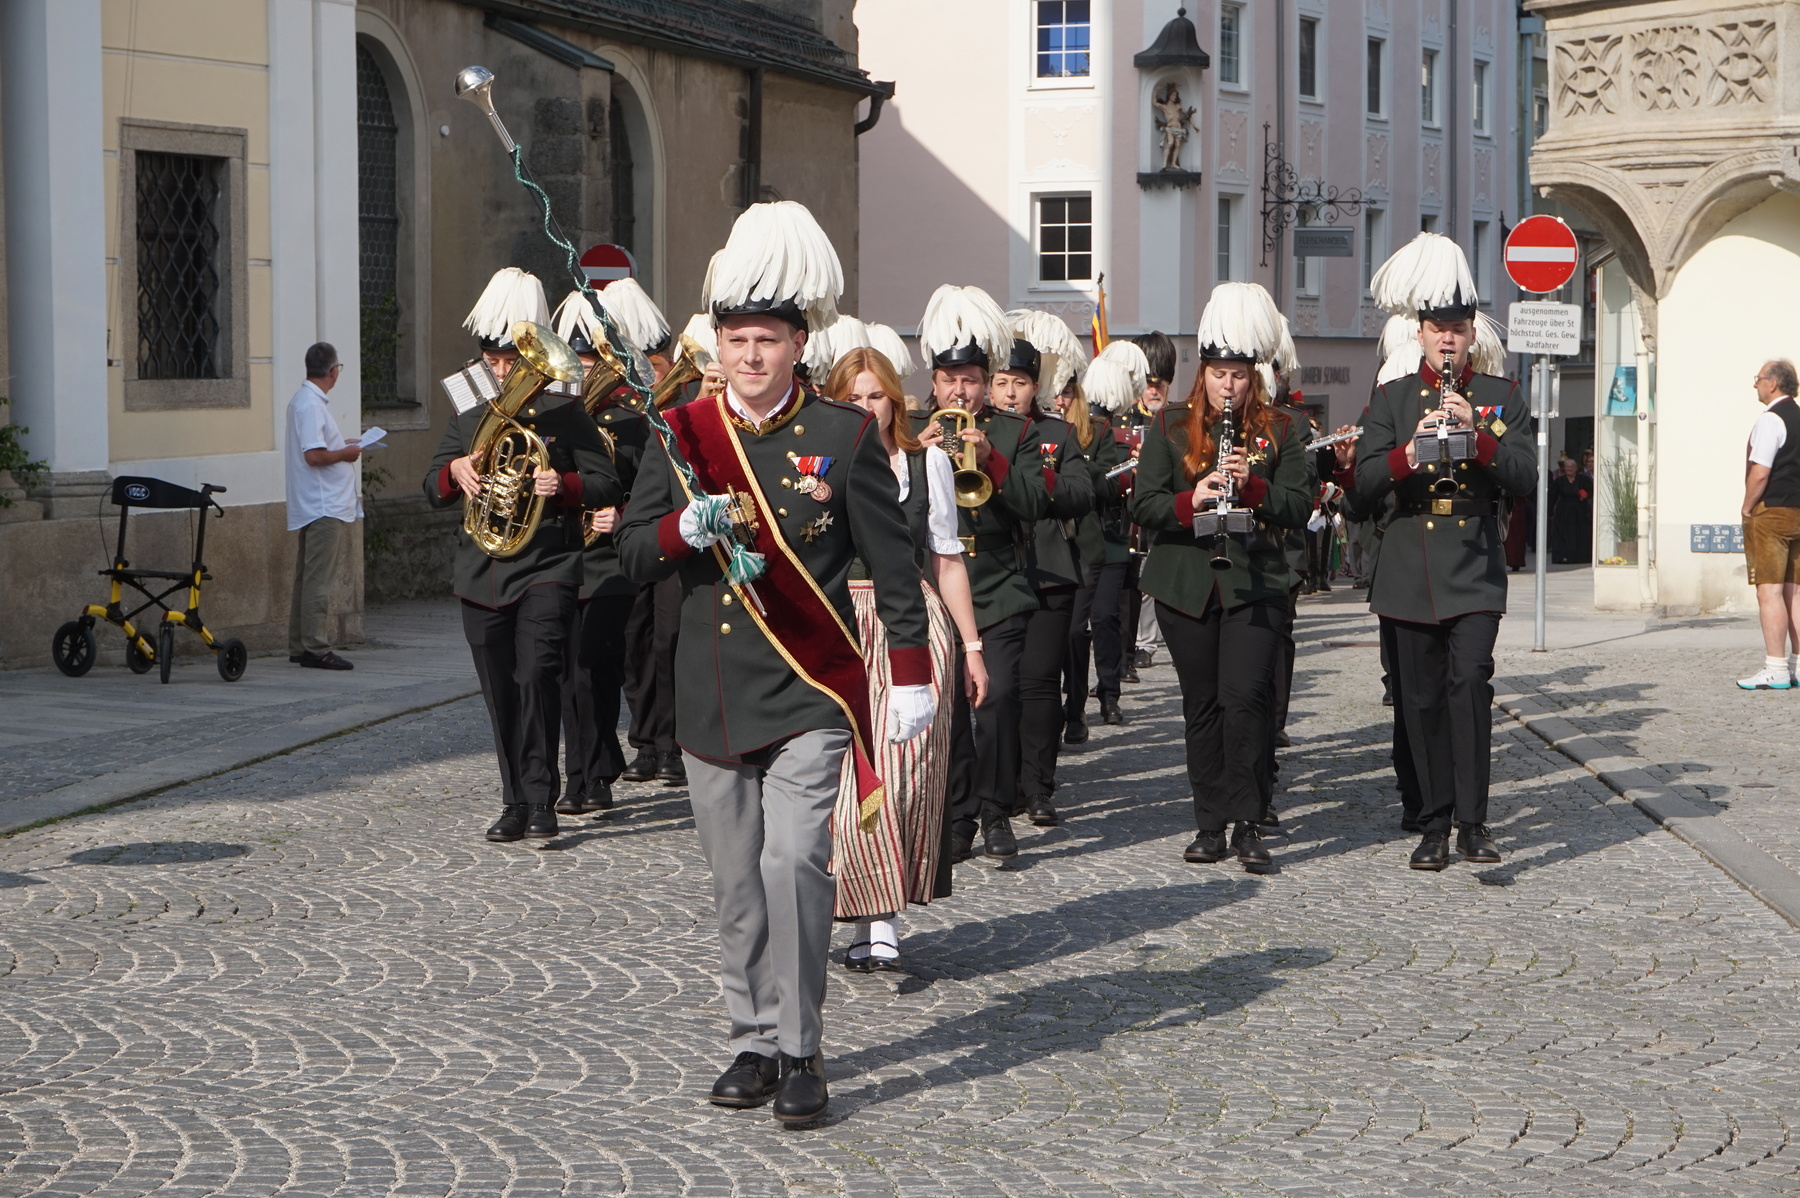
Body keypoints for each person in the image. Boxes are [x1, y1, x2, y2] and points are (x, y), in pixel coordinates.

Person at [616, 201, 932, 1125]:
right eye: (737, 340)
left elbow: (893, 561)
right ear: (717, 344)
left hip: (808, 688)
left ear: (799, 344)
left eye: (768, 340)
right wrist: (683, 527)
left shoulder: (842, 436)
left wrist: (911, 672)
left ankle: (800, 1048)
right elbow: (632, 554)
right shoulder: (680, 433)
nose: (751, 357)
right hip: (712, 691)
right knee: (736, 880)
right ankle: (752, 1040)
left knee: (796, 860)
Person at [423, 268, 621, 843]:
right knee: (501, 690)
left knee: (538, 675)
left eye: (511, 360)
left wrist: (565, 485)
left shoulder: (564, 413)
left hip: (546, 565)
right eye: (493, 360)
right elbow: (430, 486)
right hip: (481, 571)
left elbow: (606, 482)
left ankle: (541, 798)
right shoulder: (468, 418)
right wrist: (454, 471)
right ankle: (514, 800)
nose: (502, 371)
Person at [1357, 233, 1536, 870]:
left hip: (1474, 564)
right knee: (1422, 699)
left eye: (1458, 329)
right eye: (1438, 330)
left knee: (1470, 685)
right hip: (1410, 564)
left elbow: (1524, 475)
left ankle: (1472, 823)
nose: (1448, 340)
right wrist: (1409, 451)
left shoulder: (1500, 396)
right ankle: (1433, 823)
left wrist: (1477, 435)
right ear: (1421, 334)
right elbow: (1363, 483)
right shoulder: (1394, 397)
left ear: (1471, 333)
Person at [1132, 283, 1310, 874]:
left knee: (1247, 701)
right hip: (1186, 584)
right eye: (1217, 374)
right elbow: (1144, 505)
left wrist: (1252, 486)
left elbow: (1298, 504)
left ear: (1252, 376)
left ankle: (1250, 820)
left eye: (1237, 375)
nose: (1227, 386)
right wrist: (1193, 499)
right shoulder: (1169, 426)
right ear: (1202, 374)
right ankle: (1209, 823)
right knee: (1202, 706)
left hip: (1255, 582)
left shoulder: (1281, 428)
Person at [823, 346, 986, 972]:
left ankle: (882, 919)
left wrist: (972, 648)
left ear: (895, 400)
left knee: (901, 776)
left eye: (875, 396)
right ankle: (857, 909)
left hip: (909, 626)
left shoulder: (928, 461)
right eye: (852, 397)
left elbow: (946, 559)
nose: (866, 408)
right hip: (839, 624)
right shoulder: (819, 458)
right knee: (844, 784)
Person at [915, 284, 1052, 862]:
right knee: (947, 707)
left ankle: (997, 811)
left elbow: (1035, 503)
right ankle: (958, 815)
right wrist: (913, 455)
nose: (960, 391)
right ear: (934, 381)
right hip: (934, 582)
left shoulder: (1015, 434)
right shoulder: (913, 431)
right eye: (950, 380)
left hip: (996, 583)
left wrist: (989, 458)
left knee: (994, 702)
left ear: (985, 381)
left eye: (970, 380)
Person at [548, 286, 657, 816]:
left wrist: (624, 515)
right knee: (570, 672)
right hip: (563, 556)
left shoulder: (632, 423)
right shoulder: (552, 422)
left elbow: (654, 492)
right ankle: (586, 772)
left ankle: (594, 768)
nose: (585, 373)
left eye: (592, 363)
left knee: (598, 667)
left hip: (610, 562)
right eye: (578, 364)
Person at [990, 325, 1095, 827]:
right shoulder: (976, 432)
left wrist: (1035, 475)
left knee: (1038, 684)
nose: (1011, 393)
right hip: (995, 572)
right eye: (1002, 382)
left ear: (1036, 387)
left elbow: (1082, 494)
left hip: (1049, 570)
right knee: (1001, 686)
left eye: (1020, 383)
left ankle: (1037, 786)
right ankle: (1003, 784)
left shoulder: (1057, 434)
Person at [1061, 360, 1131, 741]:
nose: (1060, 400)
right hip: (1061, 545)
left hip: (1100, 542)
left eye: (1067, 392)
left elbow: (1110, 485)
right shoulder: (1040, 431)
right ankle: (1073, 704)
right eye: (1056, 393)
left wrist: (1074, 464)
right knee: (1072, 631)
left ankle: (1109, 693)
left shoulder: (1099, 431)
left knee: (1104, 618)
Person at [285, 341, 362, 671]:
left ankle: (299, 645)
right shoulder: (311, 405)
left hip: (315, 502)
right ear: (334, 371)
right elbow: (314, 456)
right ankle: (315, 648)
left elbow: (318, 447)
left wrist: (340, 445)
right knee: (318, 580)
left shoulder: (305, 400)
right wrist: (345, 453)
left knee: (307, 578)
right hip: (323, 504)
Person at [1738, 358, 1800, 689]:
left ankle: (1776, 667)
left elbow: (1760, 472)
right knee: (1795, 592)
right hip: (1798, 511)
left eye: (1759, 378)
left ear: (1773, 383)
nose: (1755, 384)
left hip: (1772, 512)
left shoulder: (1770, 419)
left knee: (1770, 591)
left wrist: (1747, 507)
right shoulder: (1799, 417)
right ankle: (1799, 665)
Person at [1127, 332, 1176, 672]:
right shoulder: (1124, 419)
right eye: (1148, 383)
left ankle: (1146, 643)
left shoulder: (1176, 420)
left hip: (1163, 512)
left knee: (1152, 582)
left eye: (1160, 384)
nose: (1154, 391)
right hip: (1128, 515)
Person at [1548, 457, 1592, 563]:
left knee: (1580, 533)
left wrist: (1585, 496)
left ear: (1576, 468)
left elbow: (1591, 491)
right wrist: (1550, 511)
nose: (1569, 469)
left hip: (1580, 510)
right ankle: (1563, 556)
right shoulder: (1559, 481)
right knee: (1563, 534)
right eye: (1567, 467)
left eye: (1571, 467)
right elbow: (1552, 496)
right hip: (1564, 511)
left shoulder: (1584, 480)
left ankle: (1581, 557)